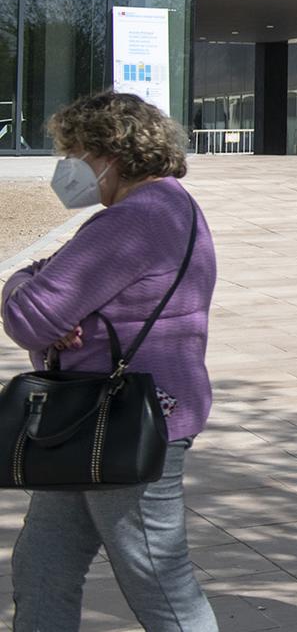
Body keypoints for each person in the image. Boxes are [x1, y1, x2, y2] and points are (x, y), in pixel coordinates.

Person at [4, 91, 220, 631]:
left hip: (125, 423)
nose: (65, 167)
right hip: (93, 420)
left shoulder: (134, 219)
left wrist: (22, 283)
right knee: (42, 566)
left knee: (158, 582)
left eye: (74, 151)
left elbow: (29, 314)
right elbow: (47, 288)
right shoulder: (166, 205)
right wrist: (41, 285)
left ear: (111, 154)